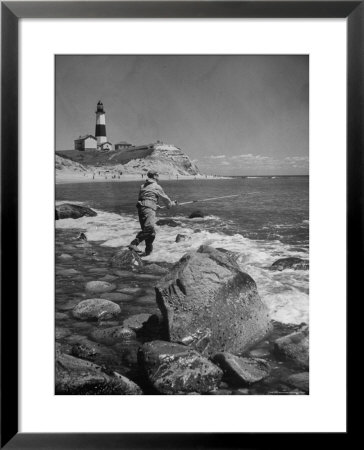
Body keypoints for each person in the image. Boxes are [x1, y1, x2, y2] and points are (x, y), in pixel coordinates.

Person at [128, 170, 176, 256]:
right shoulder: (156, 186)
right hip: (148, 209)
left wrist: (155, 206)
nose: (158, 177)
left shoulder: (142, 186)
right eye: (157, 175)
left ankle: (148, 253)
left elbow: (143, 198)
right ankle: (133, 244)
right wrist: (171, 204)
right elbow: (166, 200)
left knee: (151, 233)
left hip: (141, 209)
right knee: (149, 229)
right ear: (154, 176)